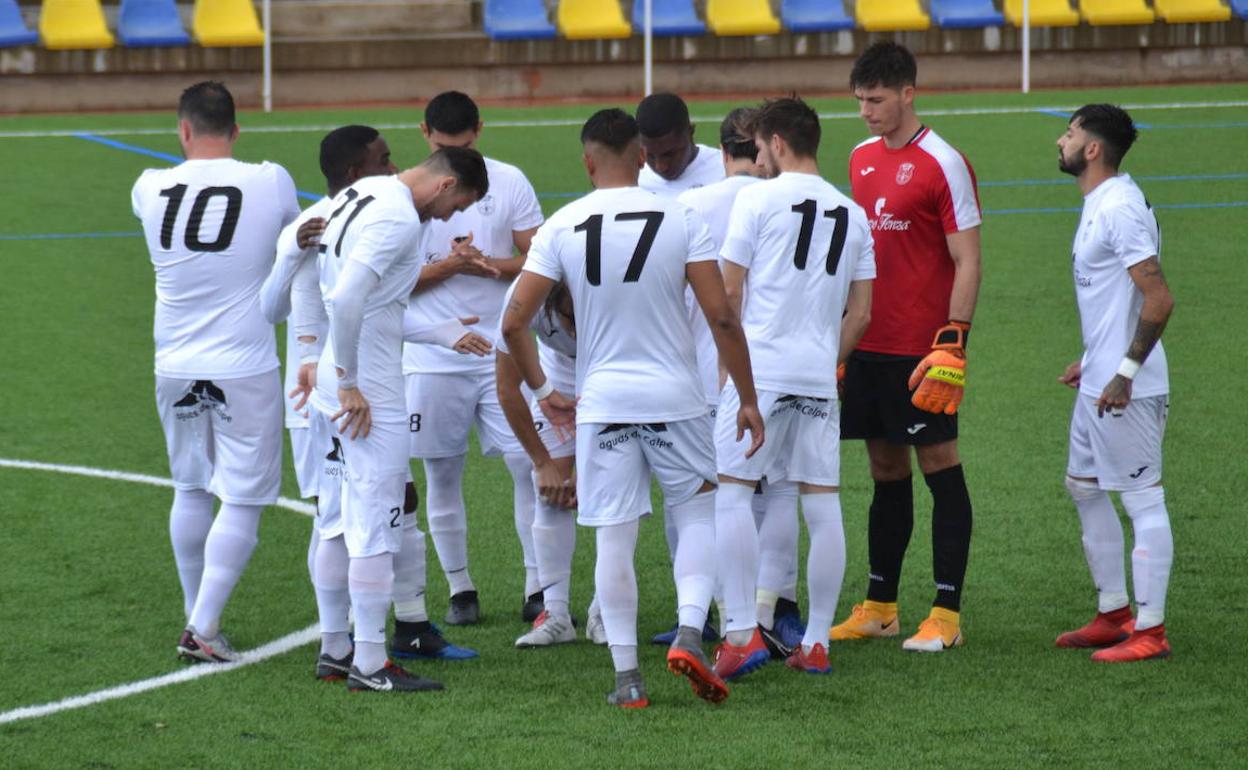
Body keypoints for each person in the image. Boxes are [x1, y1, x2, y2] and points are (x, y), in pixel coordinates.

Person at [500, 108, 763, 708]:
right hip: (676, 395)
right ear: (642, 157)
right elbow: (722, 315)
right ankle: (692, 631)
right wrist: (746, 398)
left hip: (604, 404)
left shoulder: (562, 224)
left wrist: (544, 391)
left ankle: (627, 680)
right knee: (696, 516)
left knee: (613, 539)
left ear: (588, 162)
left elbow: (515, 321)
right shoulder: (683, 217)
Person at [266, 125, 483, 681]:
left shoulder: (350, 200)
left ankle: (335, 650)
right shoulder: (397, 215)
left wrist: (439, 333)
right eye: (455, 206)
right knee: (376, 527)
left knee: (337, 523)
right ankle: (369, 659)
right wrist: (350, 380)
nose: (447, 217)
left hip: (330, 390)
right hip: (368, 398)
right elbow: (349, 295)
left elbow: (373, 305)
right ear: (445, 185)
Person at [132, 81, 300, 662]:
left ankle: (198, 616)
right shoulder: (269, 178)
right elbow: (293, 241)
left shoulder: (148, 186)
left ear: (182, 130)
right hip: (244, 362)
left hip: (174, 361)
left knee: (190, 485)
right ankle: (202, 627)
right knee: (247, 495)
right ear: (236, 128)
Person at [711, 97, 875, 679]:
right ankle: (816, 643)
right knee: (821, 501)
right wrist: (829, 361)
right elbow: (860, 312)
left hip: (761, 370)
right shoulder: (852, 212)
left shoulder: (756, 199)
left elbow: (729, 297)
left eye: (758, 147)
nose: (757, 158)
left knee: (732, 492)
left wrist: (733, 373)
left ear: (777, 142)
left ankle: (739, 634)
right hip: (816, 375)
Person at [832, 42, 983, 652]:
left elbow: (967, 257)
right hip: (868, 341)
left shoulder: (943, 162)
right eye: (860, 100)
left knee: (939, 467)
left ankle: (946, 614)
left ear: (908, 94)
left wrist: (954, 339)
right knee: (884, 469)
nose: (866, 111)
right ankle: (880, 605)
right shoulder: (861, 157)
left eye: (876, 99)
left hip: (923, 352)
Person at [403, 91, 547, 625]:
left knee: (528, 465)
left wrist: (489, 265)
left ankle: (539, 585)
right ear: (425, 135)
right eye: (446, 148)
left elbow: (537, 258)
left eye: (465, 147)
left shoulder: (509, 181)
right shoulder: (405, 200)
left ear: (480, 130)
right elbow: (391, 287)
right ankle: (460, 587)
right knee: (441, 472)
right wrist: (450, 268)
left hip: (503, 350)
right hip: (432, 354)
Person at [677, 107, 806, 658]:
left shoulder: (690, 205)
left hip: (706, 376)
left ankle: (711, 614)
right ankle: (769, 611)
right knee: (779, 491)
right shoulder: (800, 204)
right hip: (785, 368)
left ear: (720, 151)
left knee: (706, 500)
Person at [1053, 104, 1175, 663]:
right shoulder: (1101, 200)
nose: (1062, 141)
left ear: (1093, 149)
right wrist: (1092, 358)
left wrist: (1125, 371)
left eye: (1071, 133)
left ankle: (1150, 631)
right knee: (1083, 485)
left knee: (1143, 500)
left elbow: (1158, 297)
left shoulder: (1119, 208)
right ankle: (1113, 612)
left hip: (1128, 387)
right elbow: (1114, 299)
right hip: (1099, 379)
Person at [494, 279, 592, 647]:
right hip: (559, 376)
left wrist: (590, 467)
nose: (570, 327)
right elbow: (506, 388)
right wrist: (541, 462)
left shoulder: (607, 287)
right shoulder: (522, 297)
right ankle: (556, 614)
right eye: (564, 316)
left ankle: (604, 612)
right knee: (549, 491)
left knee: (610, 491)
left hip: (619, 370)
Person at [637, 92, 725, 196]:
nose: (660, 167)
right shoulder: (633, 178)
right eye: (649, 156)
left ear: (690, 132)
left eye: (669, 155)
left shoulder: (723, 171)